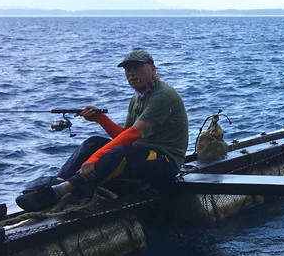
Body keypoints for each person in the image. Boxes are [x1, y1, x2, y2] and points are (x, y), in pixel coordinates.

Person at [16, 49, 189, 211]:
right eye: (127, 69)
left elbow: (133, 135)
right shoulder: (136, 98)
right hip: (142, 152)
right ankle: (60, 181)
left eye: (138, 67)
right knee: (94, 142)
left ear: (152, 69)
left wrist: (95, 158)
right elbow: (124, 134)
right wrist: (100, 119)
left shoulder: (163, 96)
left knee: (121, 152)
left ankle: (65, 189)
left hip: (166, 161)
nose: (132, 73)